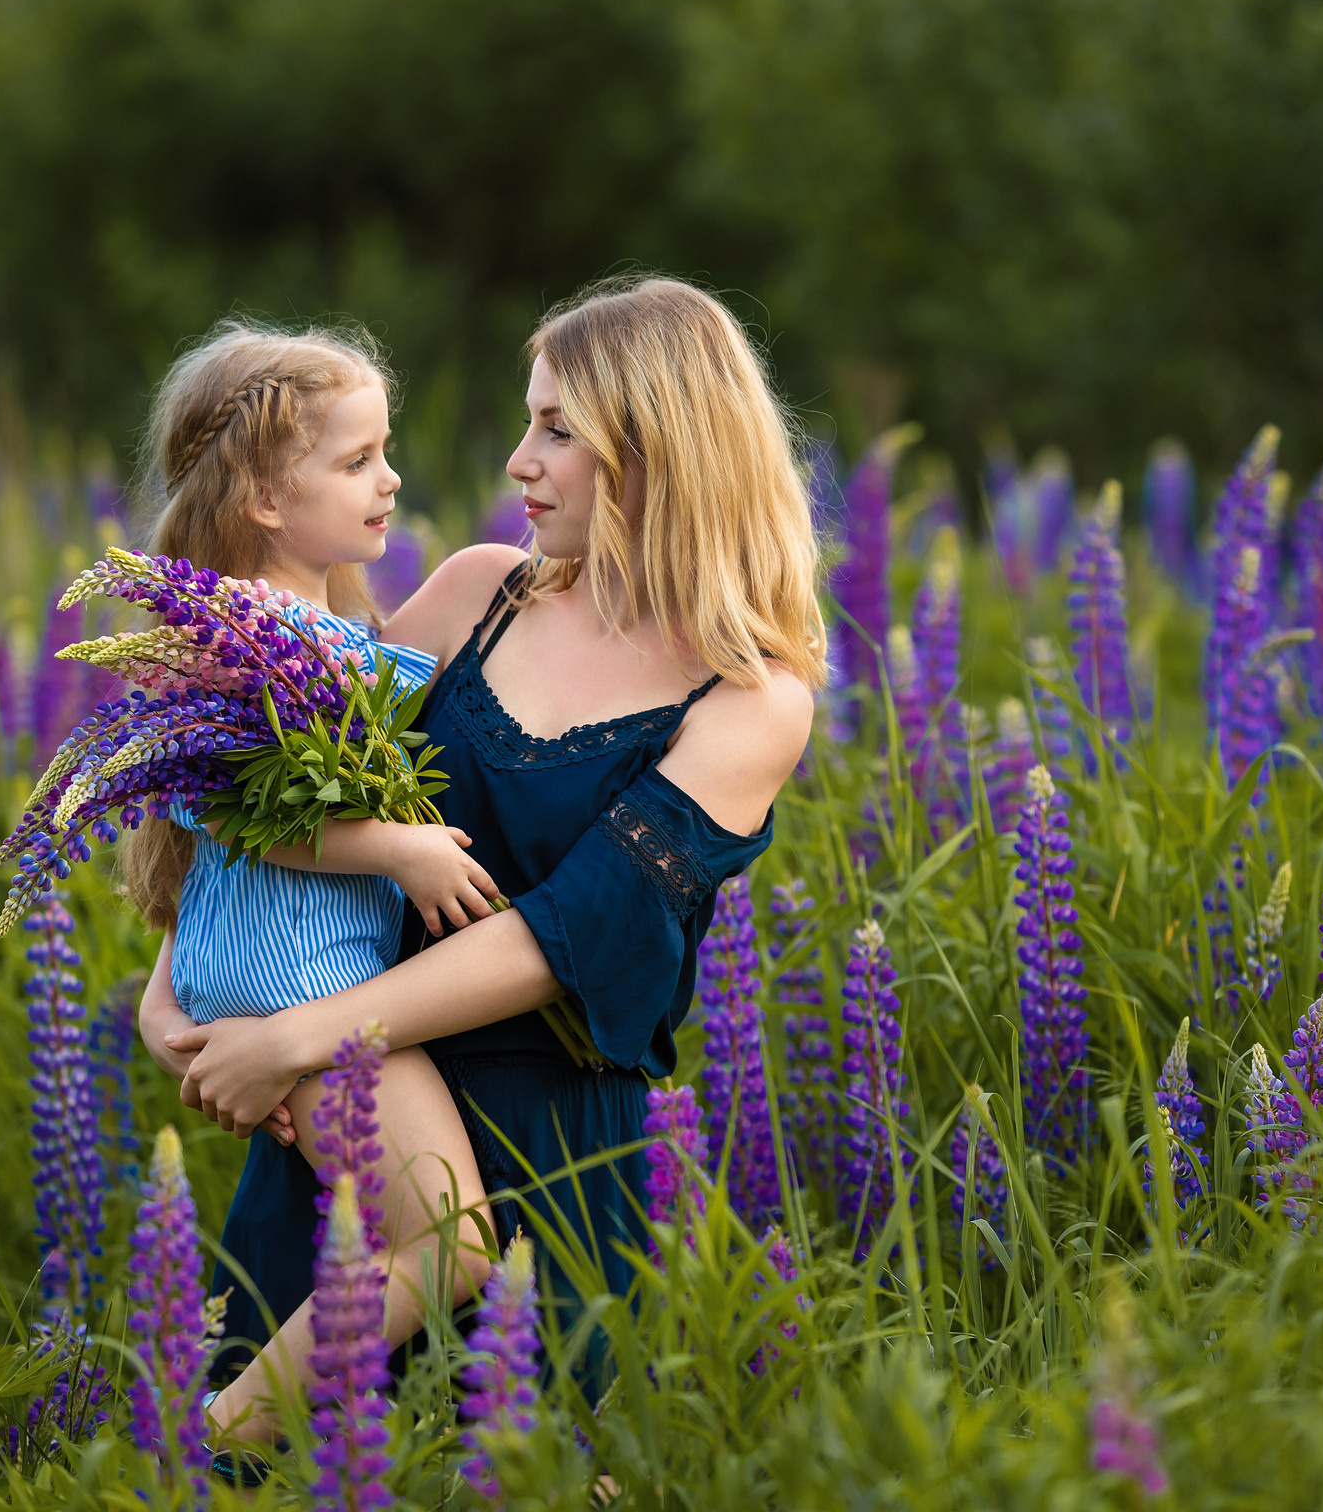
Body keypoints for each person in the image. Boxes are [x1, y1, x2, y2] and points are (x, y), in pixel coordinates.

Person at [143, 276, 823, 1441]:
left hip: (544, 1171)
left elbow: (568, 934)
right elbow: (275, 793)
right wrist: (177, 996)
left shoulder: (752, 700)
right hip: (348, 1141)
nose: (519, 459)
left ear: (658, 448)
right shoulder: (475, 595)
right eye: (529, 420)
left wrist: (297, 1038)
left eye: (558, 429)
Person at [120, 321, 507, 1437]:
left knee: (420, 1234)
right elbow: (231, 803)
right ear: (262, 498)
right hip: (298, 989)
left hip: (281, 973)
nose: (391, 480)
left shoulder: (320, 626)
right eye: (356, 462)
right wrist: (394, 846)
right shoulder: (239, 635)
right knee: (450, 1242)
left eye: (385, 453)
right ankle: (227, 1429)